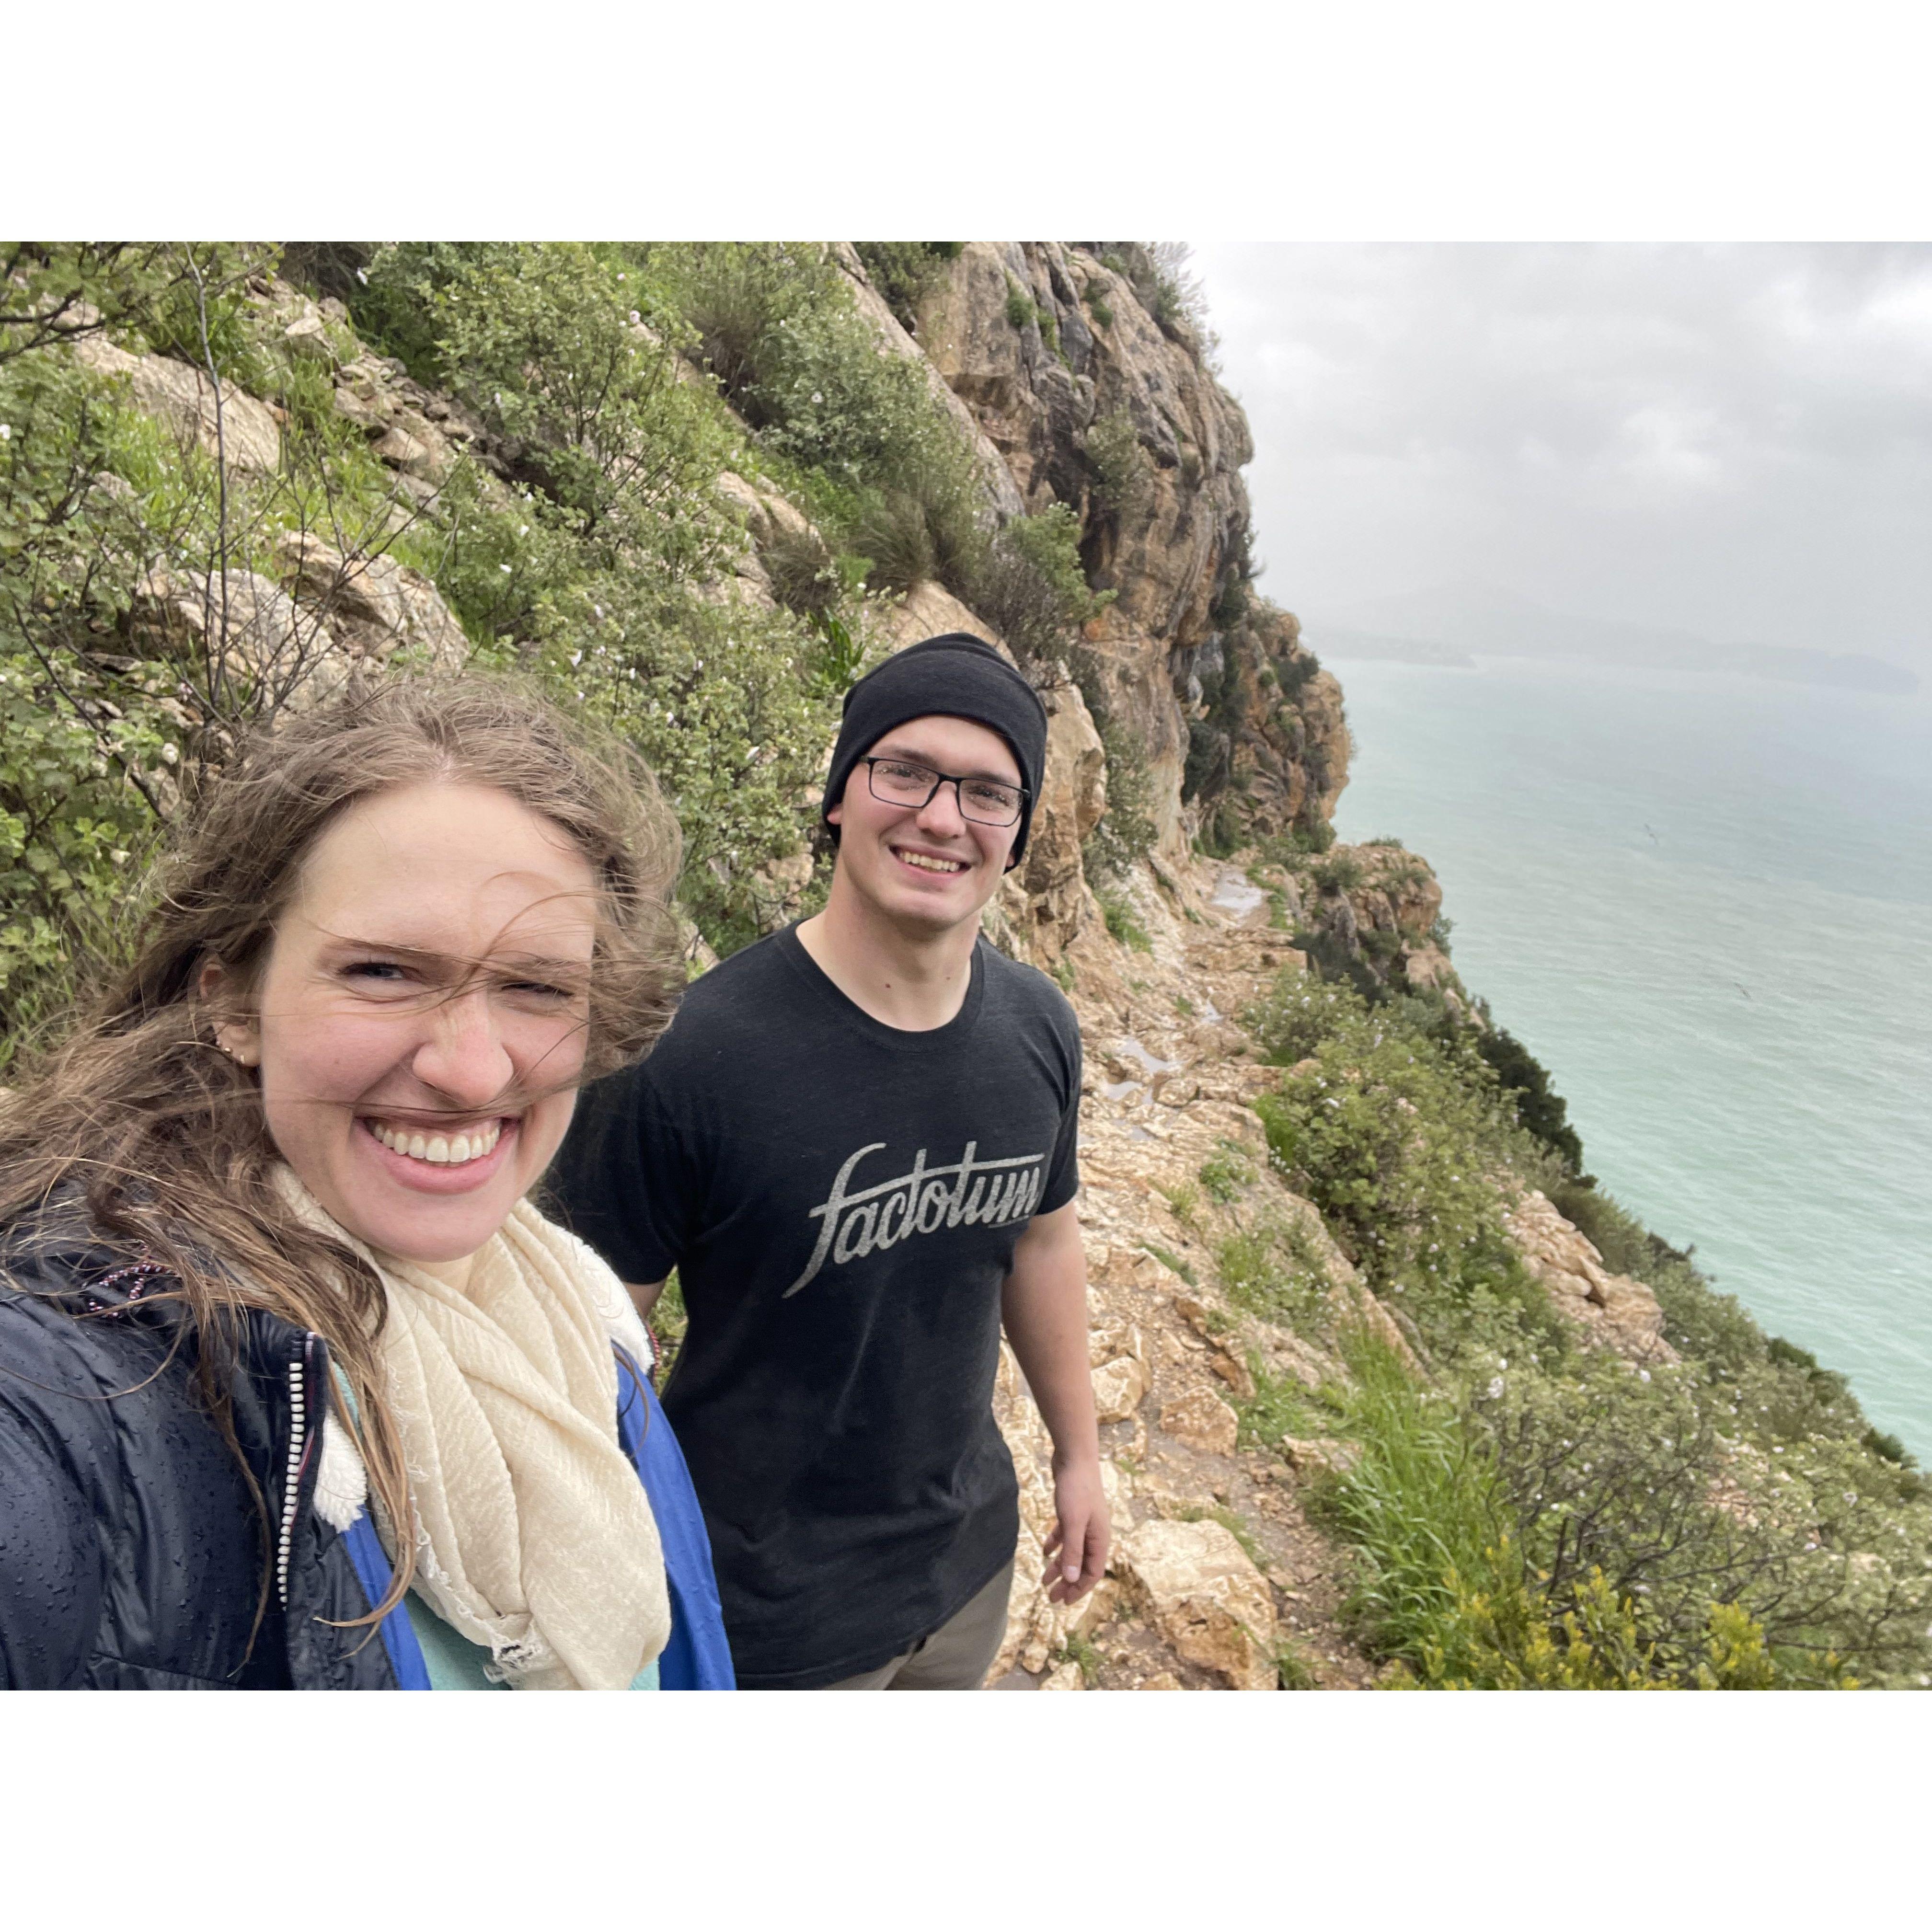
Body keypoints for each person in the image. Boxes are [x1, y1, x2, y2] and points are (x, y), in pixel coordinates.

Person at [0, 677, 733, 1690]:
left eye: (536, 986)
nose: (473, 1070)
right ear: (233, 1003)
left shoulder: (571, 1319)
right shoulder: (88, 1370)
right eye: (384, 972)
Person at [548, 632, 1106, 1690]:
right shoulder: (689, 1058)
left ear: (1020, 833)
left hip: (966, 1572)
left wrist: (1079, 1457)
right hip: (764, 1617)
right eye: (904, 771)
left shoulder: (1038, 1026)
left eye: (988, 792)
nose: (943, 817)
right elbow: (588, 1344)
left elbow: (1043, 1236)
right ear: (840, 797)